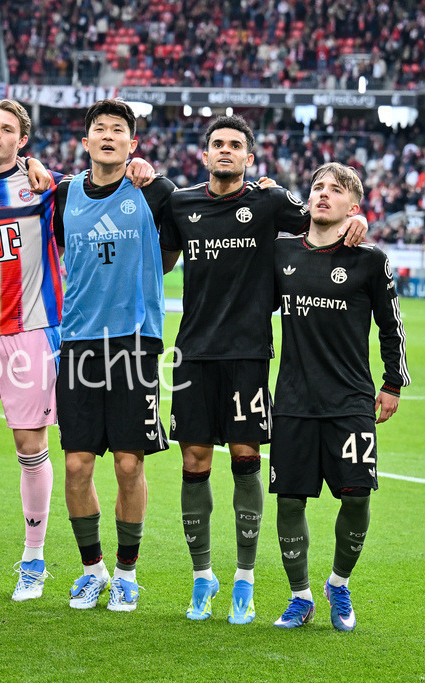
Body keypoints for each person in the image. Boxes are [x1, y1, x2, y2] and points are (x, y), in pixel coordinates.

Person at [0, 99, 153, 601]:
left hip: (31, 331)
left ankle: (33, 561)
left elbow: (103, 181)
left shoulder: (48, 187)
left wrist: (139, 168)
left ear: (22, 142)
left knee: (31, 447)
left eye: (6, 129)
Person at [160, 115, 367, 623]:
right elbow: (162, 261)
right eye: (217, 144)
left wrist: (356, 223)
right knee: (194, 464)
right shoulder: (182, 203)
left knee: (247, 458)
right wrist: (147, 181)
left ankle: (245, 581)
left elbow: (322, 220)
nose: (225, 151)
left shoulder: (271, 202)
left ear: (250, 159)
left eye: (235, 145)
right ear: (203, 155)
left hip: (249, 355)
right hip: (192, 354)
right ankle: (201, 577)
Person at [271, 163, 409, 631]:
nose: (322, 194)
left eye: (336, 190)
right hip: (291, 400)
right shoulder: (281, 252)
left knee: (355, 498)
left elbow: (392, 326)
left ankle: (338, 583)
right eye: (317, 188)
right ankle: (300, 597)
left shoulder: (370, 259)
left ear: (355, 207)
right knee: (290, 501)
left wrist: (392, 383)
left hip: (351, 400)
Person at [53, 99, 176, 611]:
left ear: (132, 143)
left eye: (118, 129)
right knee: (78, 464)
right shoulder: (62, 195)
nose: (108, 135)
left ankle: (126, 573)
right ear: (85, 143)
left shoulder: (155, 191)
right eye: (99, 129)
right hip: (77, 341)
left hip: (134, 341)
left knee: (129, 463)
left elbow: (172, 252)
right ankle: (92, 571)